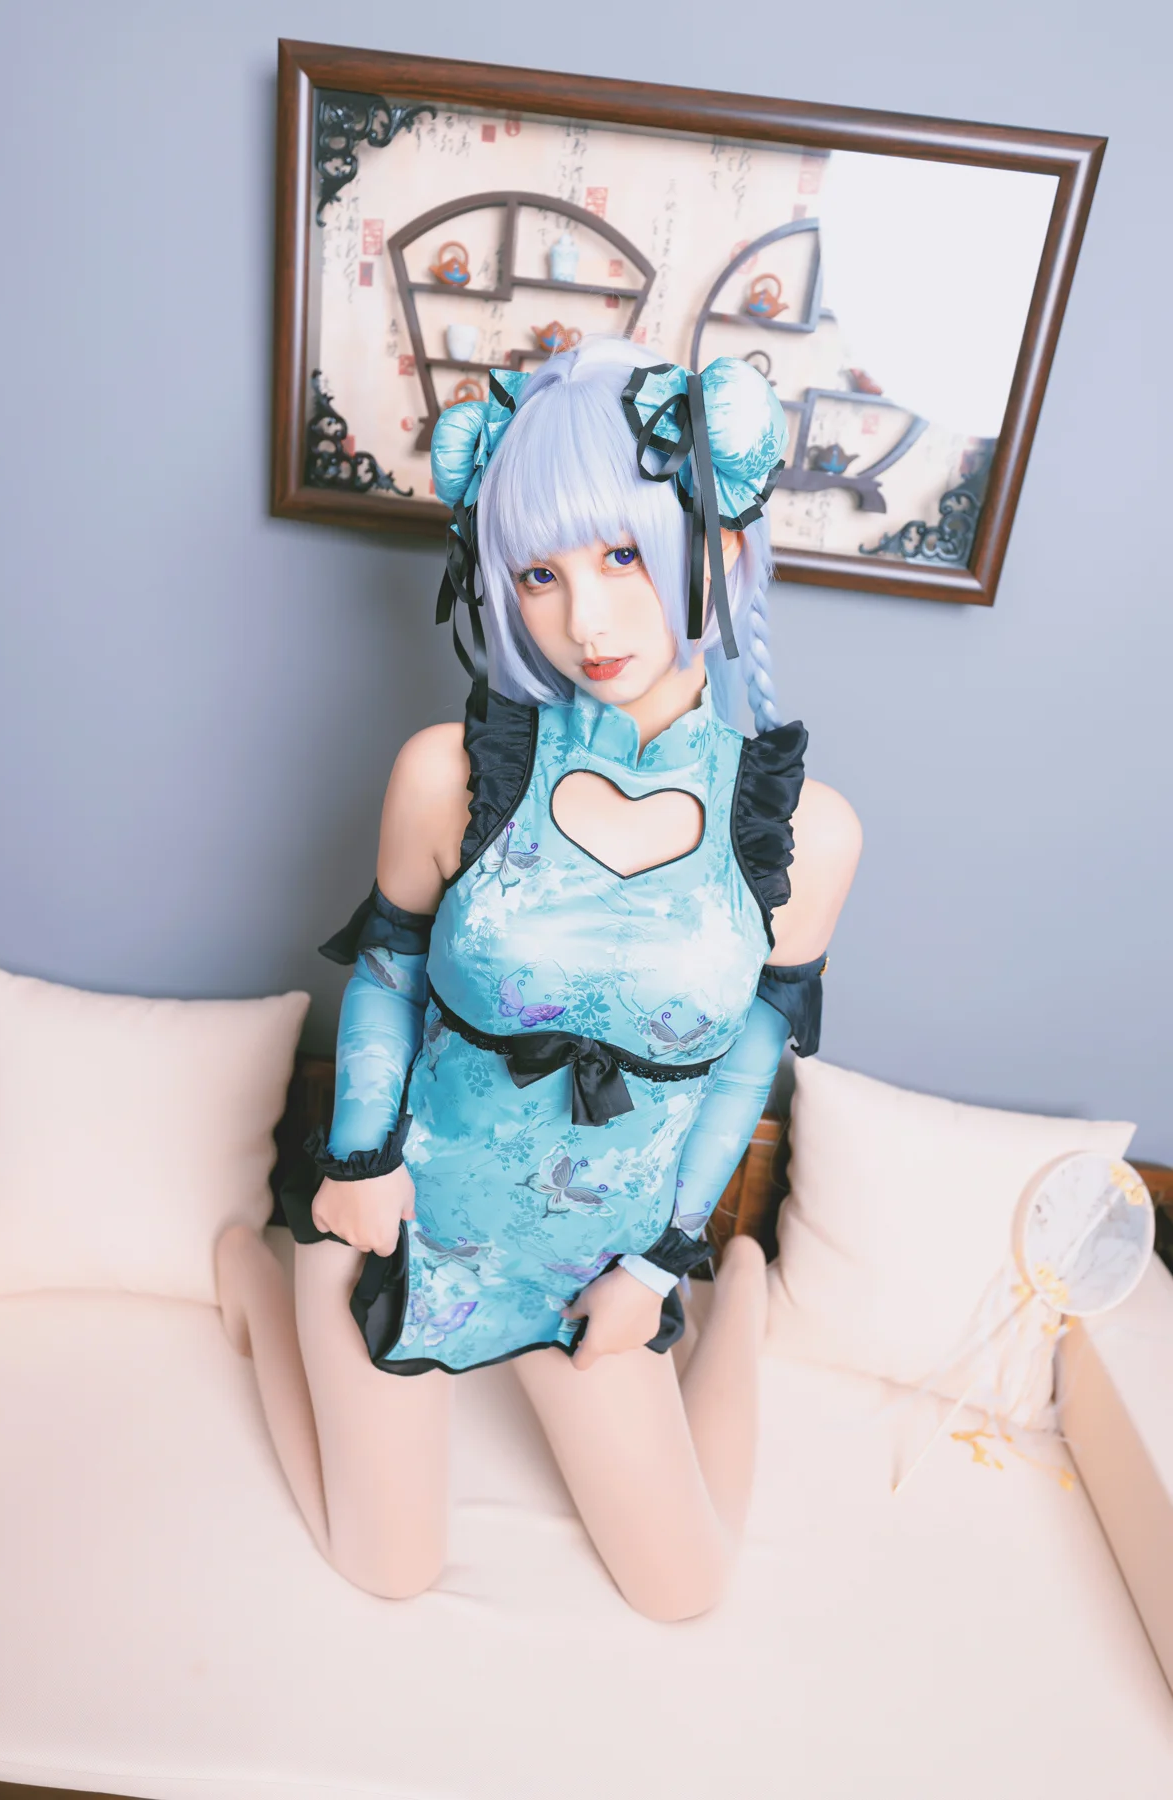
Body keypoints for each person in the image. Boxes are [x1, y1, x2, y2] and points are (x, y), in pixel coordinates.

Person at [215, 336, 861, 1621]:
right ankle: (260, 1265)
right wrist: (358, 1167)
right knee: (384, 1570)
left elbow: (748, 1058)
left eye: (624, 554)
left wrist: (664, 1267)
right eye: (539, 574)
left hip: (598, 1264)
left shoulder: (806, 829)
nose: (587, 620)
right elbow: (390, 971)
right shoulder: (450, 773)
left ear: (721, 548)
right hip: (413, 1226)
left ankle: (738, 1302)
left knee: (685, 1590)